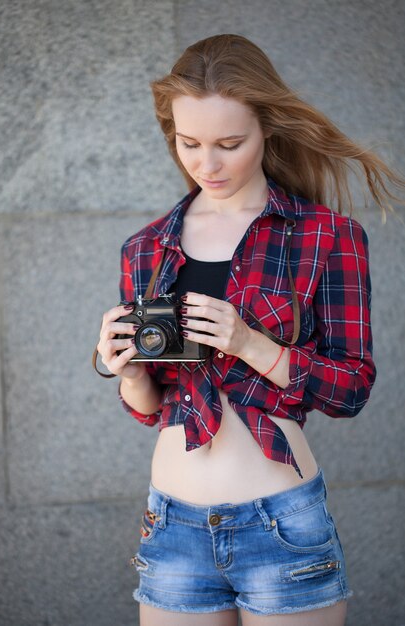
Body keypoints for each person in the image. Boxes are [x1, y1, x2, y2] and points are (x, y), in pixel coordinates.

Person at [95, 34, 403, 626]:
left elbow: (351, 388)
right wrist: (130, 373)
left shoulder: (326, 236)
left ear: (266, 131)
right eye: (189, 143)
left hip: (280, 524)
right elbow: (151, 409)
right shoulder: (144, 248)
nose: (206, 164)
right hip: (171, 526)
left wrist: (250, 343)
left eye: (229, 144)